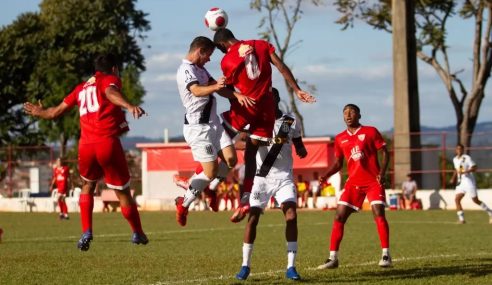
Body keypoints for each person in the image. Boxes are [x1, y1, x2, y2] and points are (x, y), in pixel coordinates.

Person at [23, 53, 149, 251]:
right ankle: (137, 233)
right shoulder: (110, 79)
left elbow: (55, 112)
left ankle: (86, 231)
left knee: (87, 186)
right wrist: (129, 105)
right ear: (114, 69)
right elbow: (110, 92)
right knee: (122, 191)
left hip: (86, 146)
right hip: (107, 143)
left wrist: (40, 112)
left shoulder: (80, 88)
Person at [213, 28, 316, 223]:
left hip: (246, 108)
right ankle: (242, 198)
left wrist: (234, 95)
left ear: (221, 45)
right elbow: (281, 66)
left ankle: (211, 186)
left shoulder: (227, 60)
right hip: (266, 110)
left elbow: (225, 89)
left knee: (217, 135)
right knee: (250, 152)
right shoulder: (260, 44)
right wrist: (297, 90)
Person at [174, 36, 254, 226]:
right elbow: (196, 91)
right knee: (210, 172)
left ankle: (210, 189)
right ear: (199, 51)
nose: (209, 59)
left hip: (214, 124)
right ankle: (183, 204)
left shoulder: (200, 69)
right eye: (208, 55)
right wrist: (215, 86)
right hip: (198, 128)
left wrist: (237, 95)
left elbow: (218, 89)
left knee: (231, 159)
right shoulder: (185, 69)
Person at [235, 88, 307, 281]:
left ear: (276, 99)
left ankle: (291, 267)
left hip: (284, 177)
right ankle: (245, 265)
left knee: (291, 215)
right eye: (263, 98)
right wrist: (249, 142)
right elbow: (239, 143)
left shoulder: (289, 121)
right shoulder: (255, 122)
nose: (267, 100)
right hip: (262, 178)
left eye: (270, 97)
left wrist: (301, 150)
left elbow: (299, 143)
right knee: (253, 218)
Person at [317, 104, 392, 269]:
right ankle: (332, 258)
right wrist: (326, 174)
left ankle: (386, 255)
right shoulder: (339, 138)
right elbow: (338, 163)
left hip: (373, 181)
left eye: (352, 112)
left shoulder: (371, 131)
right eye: (345, 113)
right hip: (353, 183)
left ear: (359, 115)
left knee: (378, 213)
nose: (348, 115)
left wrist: (383, 172)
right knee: (339, 216)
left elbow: (386, 152)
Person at [450, 144, 492, 224]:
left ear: (463, 150)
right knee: (457, 199)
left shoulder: (467, 158)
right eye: (457, 149)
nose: (459, 150)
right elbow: (457, 169)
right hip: (461, 183)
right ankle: (461, 219)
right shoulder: (455, 159)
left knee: (475, 200)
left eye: (460, 149)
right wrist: (453, 178)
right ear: (455, 150)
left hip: (469, 182)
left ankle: (490, 212)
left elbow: (475, 167)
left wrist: (466, 171)